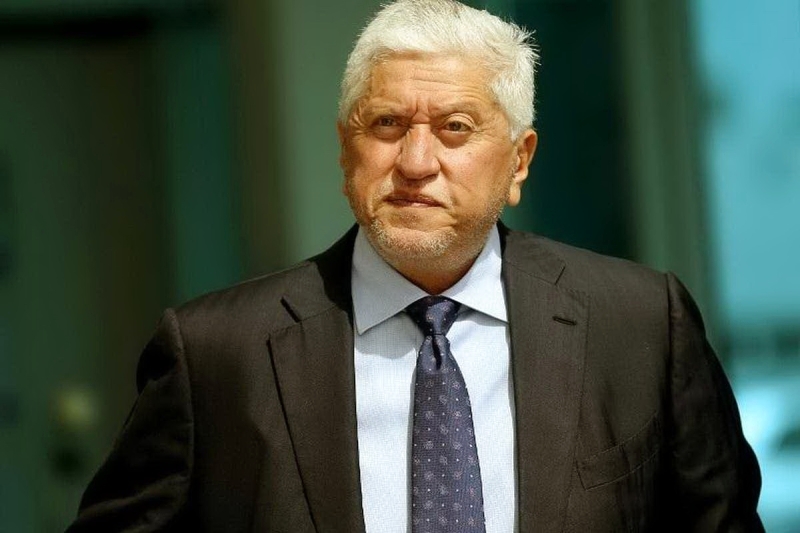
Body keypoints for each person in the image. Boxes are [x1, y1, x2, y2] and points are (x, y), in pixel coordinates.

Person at [67, 0, 764, 531]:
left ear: (519, 160)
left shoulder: (639, 325)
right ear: (346, 150)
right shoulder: (218, 354)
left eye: (455, 128)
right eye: (387, 125)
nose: (416, 162)